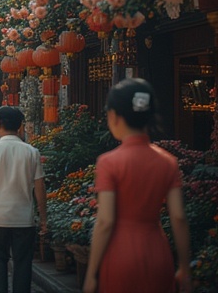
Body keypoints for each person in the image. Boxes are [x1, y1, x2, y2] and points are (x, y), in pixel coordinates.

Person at [82, 79, 191, 293]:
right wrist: (185, 268)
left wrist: (92, 273)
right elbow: (178, 216)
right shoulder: (168, 161)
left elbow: (105, 221)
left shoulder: (109, 162)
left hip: (120, 255)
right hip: (158, 253)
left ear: (114, 116)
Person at [0, 106, 47, 293]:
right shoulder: (31, 152)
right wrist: (43, 218)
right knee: (22, 261)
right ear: (20, 127)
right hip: (23, 217)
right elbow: (40, 188)